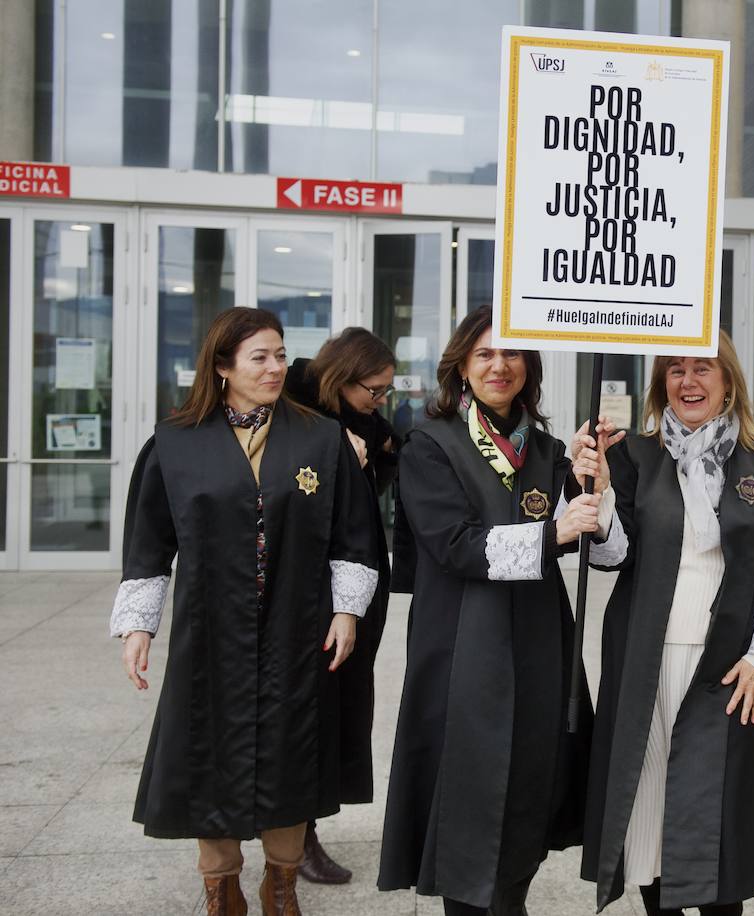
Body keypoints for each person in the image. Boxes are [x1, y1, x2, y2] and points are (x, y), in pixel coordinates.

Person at [109, 307, 379, 916]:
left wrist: (347, 611)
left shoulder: (320, 438)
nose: (277, 367)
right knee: (210, 758)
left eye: (282, 354)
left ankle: (281, 885)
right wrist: (137, 626)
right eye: (260, 357)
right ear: (223, 365)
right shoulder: (176, 442)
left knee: (291, 754)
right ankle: (221, 887)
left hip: (296, 627)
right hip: (211, 634)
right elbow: (149, 543)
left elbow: (352, 535)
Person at [377, 306, 598, 915]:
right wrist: (551, 535)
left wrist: (583, 481)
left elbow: (585, 533)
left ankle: (512, 897)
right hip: (462, 645)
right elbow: (451, 545)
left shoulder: (549, 447)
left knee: (532, 784)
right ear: (462, 369)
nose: (500, 366)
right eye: (484, 355)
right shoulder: (430, 443)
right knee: (468, 797)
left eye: (512, 353)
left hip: (537, 640)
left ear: (529, 366)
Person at [579, 332, 754, 915]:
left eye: (703, 368)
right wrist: (600, 495)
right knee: (652, 809)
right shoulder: (636, 455)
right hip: (645, 659)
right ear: (662, 385)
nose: (688, 381)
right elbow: (613, 555)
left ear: (728, 379)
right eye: (675, 369)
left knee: (717, 814)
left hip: (728, 664)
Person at [283, 328, 402, 884]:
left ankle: (304, 832)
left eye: (386, 392)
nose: (379, 402)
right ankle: (291, 837)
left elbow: (388, 457)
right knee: (301, 712)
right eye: (373, 391)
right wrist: (332, 450)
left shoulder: (365, 421)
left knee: (336, 708)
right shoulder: (291, 404)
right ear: (342, 376)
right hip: (296, 581)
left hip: (354, 579)